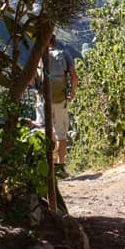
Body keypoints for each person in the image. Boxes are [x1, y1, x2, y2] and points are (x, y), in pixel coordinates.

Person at [33, 35, 78, 170]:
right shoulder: (65, 54)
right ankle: (60, 166)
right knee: (61, 133)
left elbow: (30, 78)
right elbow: (74, 77)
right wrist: (72, 92)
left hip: (44, 100)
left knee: (45, 129)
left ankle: (48, 164)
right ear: (55, 42)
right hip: (61, 99)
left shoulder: (38, 57)